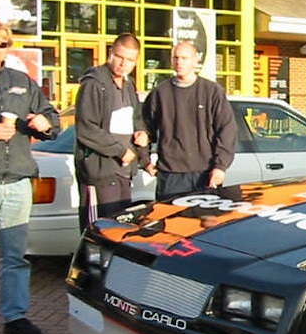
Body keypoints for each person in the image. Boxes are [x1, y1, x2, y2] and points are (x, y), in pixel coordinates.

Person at [0, 20, 60, 334]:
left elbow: (50, 117)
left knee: (15, 255)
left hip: (18, 179)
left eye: (2, 44)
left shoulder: (21, 81)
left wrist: (45, 124)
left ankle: (15, 316)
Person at [143, 40, 236, 200]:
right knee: (172, 223)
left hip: (204, 174)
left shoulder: (211, 91)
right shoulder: (160, 93)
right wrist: (144, 160)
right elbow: (144, 128)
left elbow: (227, 129)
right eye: (176, 58)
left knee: (204, 224)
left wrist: (220, 166)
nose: (179, 62)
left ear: (195, 61)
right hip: (170, 175)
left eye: (184, 58)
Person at [74, 33, 150, 231]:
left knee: (119, 229)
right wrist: (120, 151)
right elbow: (86, 129)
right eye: (119, 57)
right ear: (110, 54)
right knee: (98, 231)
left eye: (130, 60)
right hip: (100, 171)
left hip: (125, 172)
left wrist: (142, 138)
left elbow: (136, 121)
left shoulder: (129, 85)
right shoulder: (94, 84)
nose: (123, 64)